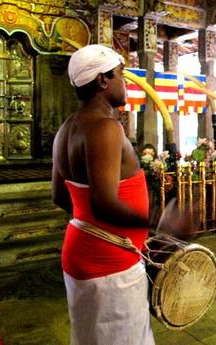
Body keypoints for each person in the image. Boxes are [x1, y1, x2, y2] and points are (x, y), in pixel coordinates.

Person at [51, 44, 155, 345]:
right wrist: (159, 221)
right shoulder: (105, 127)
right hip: (110, 264)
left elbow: (59, 196)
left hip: (81, 253)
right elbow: (104, 202)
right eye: (121, 74)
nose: (125, 82)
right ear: (102, 80)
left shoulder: (66, 129)